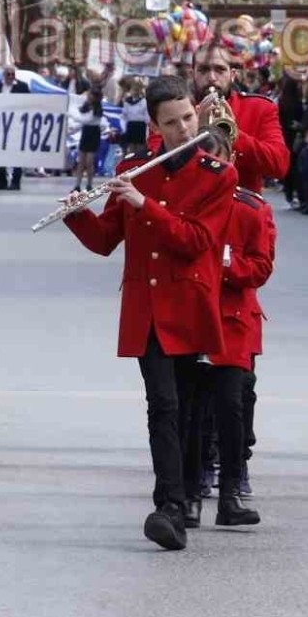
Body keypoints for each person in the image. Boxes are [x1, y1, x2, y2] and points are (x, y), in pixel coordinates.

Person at [64, 75, 236, 550]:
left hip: (190, 304)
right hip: (148, 309)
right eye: (171, 122)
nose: (183, 128)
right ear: (154, 126)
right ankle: (169, 506)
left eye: (188, 117)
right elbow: (105, 241)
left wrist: (146, 205)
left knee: (187, 411)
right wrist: (77, 214)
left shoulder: (218, 174)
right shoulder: (135, 167)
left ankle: (183, 498)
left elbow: (197, 242)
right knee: (162, 405)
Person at [206, 136, 274, 527]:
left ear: (231, 161)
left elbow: (260, 269)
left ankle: (231, 487)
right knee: (192, 406)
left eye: (218, 161)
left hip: (233, 318)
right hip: (192, 315)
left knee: (233, 405)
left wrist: (222, 268)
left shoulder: (251, 209)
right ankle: (192, 484)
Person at [191, 42, 290, 194]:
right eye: (203, 70)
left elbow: (279, 166)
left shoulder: (259, 108)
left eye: (220, 69)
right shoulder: (178, 110)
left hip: (241, 210)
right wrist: (194, 132)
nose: (211, 78)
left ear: (232, 75)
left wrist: (233, 135)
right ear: (193, 74)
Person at [0, 64, 30, 191]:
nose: (11, 77)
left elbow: (30, 103)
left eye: (13, 74)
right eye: (8, 74)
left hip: (17, 125)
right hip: (0, 124)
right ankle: (1, 181)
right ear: (4, 75)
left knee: (17, 154)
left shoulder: (23, 86)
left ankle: (15, 181)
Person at [71, 86, 105, 193]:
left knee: (89, 161)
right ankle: (77, 184)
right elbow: (82, 119)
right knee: (81, 161)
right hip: (86, 132)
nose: (88, 96)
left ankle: (89, 184)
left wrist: (70, 116)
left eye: (91, 94)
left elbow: (86, 120)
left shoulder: (97, 109)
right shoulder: (86, 106)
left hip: (93, 133)